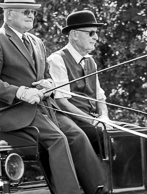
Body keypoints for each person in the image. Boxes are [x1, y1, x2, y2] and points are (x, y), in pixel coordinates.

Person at [0, 0, 108, 194]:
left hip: (44, 109)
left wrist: (48, 83)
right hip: (14, 112)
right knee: (57, 139)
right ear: (9, 14)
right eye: (25, 11)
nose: (31, 15)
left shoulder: (37, 42)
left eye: (33, 12)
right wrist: (20, 92)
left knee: (77, 135)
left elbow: (45, 75)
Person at [47, 10, 110, 149]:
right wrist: (93, 121)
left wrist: (104, 118)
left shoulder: (91, 62)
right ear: (75, 34)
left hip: (95, 122)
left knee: (136, 134)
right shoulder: (57, 60)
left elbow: (100, 98)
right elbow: (61, 102)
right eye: (91, 33)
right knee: (108, 137)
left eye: (96, 33)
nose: (96, 37)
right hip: (73, 125)